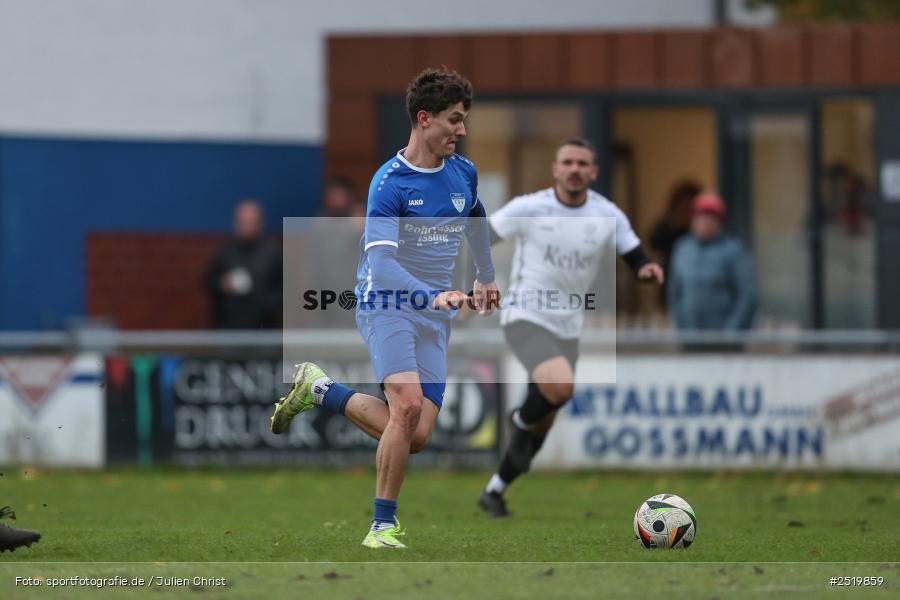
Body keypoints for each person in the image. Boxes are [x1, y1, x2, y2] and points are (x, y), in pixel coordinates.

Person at [270, 68, 499, 549]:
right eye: (454, 120)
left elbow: (476, 217)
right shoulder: (388, 184)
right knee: (409, 406)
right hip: (387, 305)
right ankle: (382, 526)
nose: (461, 130)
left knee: (417, 433)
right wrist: (433, 294)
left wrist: (485, 274)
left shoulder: (463, 172)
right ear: (424, 119)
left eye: (464, 121)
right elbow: (383, 265)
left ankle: (321, 390)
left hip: (435, 315)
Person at [477, 138, 664, 518]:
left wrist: (645, 268)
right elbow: (481, 236)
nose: (575, 168)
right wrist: (478, 279)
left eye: (583, 163)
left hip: (567, 326)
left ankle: (494, 490)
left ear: (593, 172)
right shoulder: (530, 207)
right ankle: (519, 420)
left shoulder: (606, 213)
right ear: (556, 169)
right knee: (559, 388)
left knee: (543, 424)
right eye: (568, 162)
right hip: (525, 315)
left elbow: (633, 250)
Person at [668, 192, 757, 330]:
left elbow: (746, 296)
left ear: (719, 223)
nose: (705, 223)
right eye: (700, 217)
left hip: (723, 338)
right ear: (693, 220)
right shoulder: (682, 248)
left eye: (710, 219)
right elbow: (674, 293)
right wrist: (681, 327)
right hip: (690, 336)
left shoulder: (733, 250)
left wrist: (731, 332)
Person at [203, 199, 282, 329]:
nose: (247, 226)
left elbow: (285, 289)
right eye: (243, 222)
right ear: (236, 223)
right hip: (230, 325)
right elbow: (207, 280)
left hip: (263, 327)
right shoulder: (224, 252)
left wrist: (265, 303)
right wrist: (222, 284)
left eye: (251, 222)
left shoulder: (273, 253)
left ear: (260, 223)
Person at [649, 180, 701, 306]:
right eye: (682, 204)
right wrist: (674, 225)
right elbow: (653, 242)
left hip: (698, 279)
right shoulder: (667, 224)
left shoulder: (701, 228)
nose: (685, 209)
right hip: (670, 278)